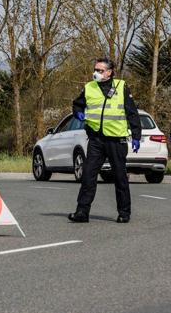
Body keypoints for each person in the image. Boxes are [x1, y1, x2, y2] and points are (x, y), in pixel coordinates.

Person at [68, 58, 142, 224]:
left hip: (116, 139)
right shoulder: (89, 87)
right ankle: (82, 212)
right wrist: (78, 113)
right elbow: (77, 104)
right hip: (96, 138)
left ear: (109, 72)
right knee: (88, 175)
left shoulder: (121, 87)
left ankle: (124, 212)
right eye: (95, 69)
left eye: (100, 70)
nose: (96, 73)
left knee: (120, 177)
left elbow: (132, 113)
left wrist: (136, 136)